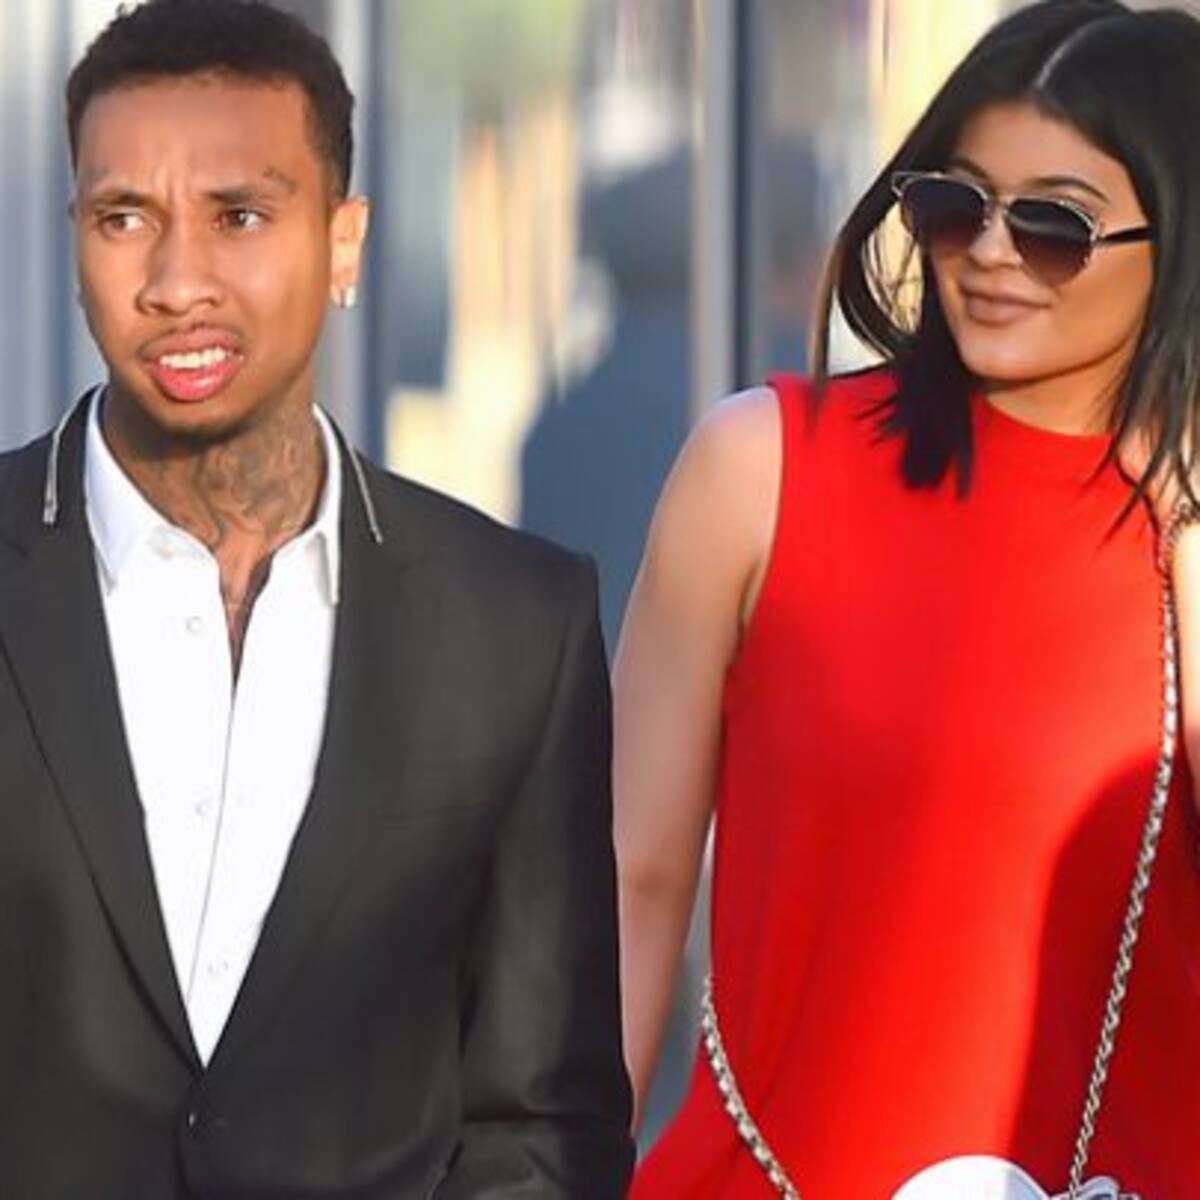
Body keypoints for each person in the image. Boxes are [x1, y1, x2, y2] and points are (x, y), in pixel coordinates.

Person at [0, 1, 633, 1195]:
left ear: (345, 244)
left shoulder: (513, 627)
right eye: (124, 217)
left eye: (239, 216)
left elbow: (542, 1117)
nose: (177, 282)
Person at [616, 1, 1200, 1196]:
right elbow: (632, 883)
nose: (990, 252)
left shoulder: (1182, 537)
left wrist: (1187, 523)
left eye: (1055, 226)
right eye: (952, 204)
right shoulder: (764, 467)